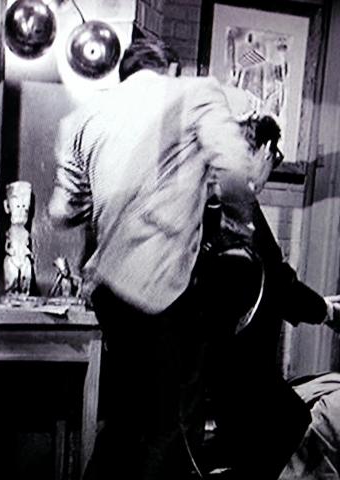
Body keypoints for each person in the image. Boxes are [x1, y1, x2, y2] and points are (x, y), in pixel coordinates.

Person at [48, 37, 260, 480]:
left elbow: (62, 212)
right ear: (169, 68)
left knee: (126, 422)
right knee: (165, 426)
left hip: (108, 292)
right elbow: (235, 169)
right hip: (160, 291)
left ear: (125, 73)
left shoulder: (82, 117)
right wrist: (241, 225)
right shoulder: (193, 93)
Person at [199, 112, 340, 480]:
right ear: (263, 149)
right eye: (274, 158)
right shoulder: (236, 203)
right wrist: (326, 311)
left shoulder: (210, 197)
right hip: (238, 375)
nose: (271, 169)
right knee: (292, 425)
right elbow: (278, 281)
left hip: (216, 372)